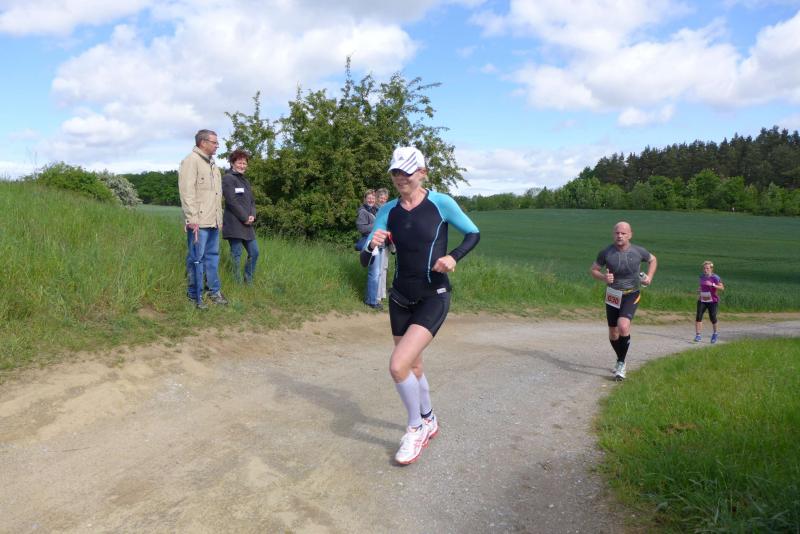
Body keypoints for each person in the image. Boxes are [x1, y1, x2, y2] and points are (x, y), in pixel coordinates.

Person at [361, 146, 480, 465]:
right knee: (413, 366)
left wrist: (453, 257)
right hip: (400, 298)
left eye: (407, 172)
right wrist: (372, 246)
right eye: (395, 172)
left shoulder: (441, 203)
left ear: (423, 173)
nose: (400, 177)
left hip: (433, 295)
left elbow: (473, 233)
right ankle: (429, 418)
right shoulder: (388, 210)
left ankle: (415, 429)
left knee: (397, 365)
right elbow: (365, 258)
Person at [590, 221, 657, 381]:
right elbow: (593, 270)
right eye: (617, 233)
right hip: (613, 295)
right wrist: (604, 277)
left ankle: (621, 364)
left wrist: (649, 277)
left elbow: (653, 260)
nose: (619, 236)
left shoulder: (638, 251)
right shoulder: (606, 252)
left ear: (630, 235)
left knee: (623, 325)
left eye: (623, 233)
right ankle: (621, 358)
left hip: (631, 293)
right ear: (613, 234)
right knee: (613, 333)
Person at [179, 129, 228, 309]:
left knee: (212, 258)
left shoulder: (213, 165)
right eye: (214, 142)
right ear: (203, 142)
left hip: (213, 222)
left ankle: (214, 292)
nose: (217, 145)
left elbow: (216, 195)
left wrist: (219, 220)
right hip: (198, 223)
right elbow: (187, 193)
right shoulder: (191, 161)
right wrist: (192, 219)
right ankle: (194, 296)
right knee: (196, 259)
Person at [222, 149, 259, 284]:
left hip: (247, 224)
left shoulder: (245, 181)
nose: (242, 166)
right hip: (234, 223)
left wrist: (252, 215)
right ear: (232, 163)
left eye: (244, 163)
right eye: (239, 163)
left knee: (254, 252)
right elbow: (231, 201)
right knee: (236, 254)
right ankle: (236, 282)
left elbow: (252, 201)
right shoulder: (228, 178)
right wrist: (245, 217)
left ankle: (248, 280)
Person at [356, 189, 381, 309]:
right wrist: (377, 225)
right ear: (365, 199)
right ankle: (371, 301)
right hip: (370, 243)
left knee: (376, 272)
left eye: (373, 198)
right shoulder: (363, 212)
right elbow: (361, 228)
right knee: (374, 273)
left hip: (378, 243)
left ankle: (372, 299)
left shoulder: (376, 210)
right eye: (369, 198)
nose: (371, 200)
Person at [694, 260, 724, 343]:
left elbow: (722, 288)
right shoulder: (701, 276)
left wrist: (712, 285)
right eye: (704, 268)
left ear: (711, 269)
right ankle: (698, 335)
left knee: (713, 317)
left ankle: (715, 333)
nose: (705, 270)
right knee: (698, 316)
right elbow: (702, 286)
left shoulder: (715, 277)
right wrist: (699, 289)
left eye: (707, 268)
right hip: (702, 299)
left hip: (713, 301)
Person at [375, 188, 393, 303]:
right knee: (377, 270)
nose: (383, 200)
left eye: (385, 198)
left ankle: (382, 294)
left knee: (384, 269)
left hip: (386, 243)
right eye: (381, 198)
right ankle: (376, 295)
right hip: (377, 243)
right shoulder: (375, 210)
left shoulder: (388, 210)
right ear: (377, 198)